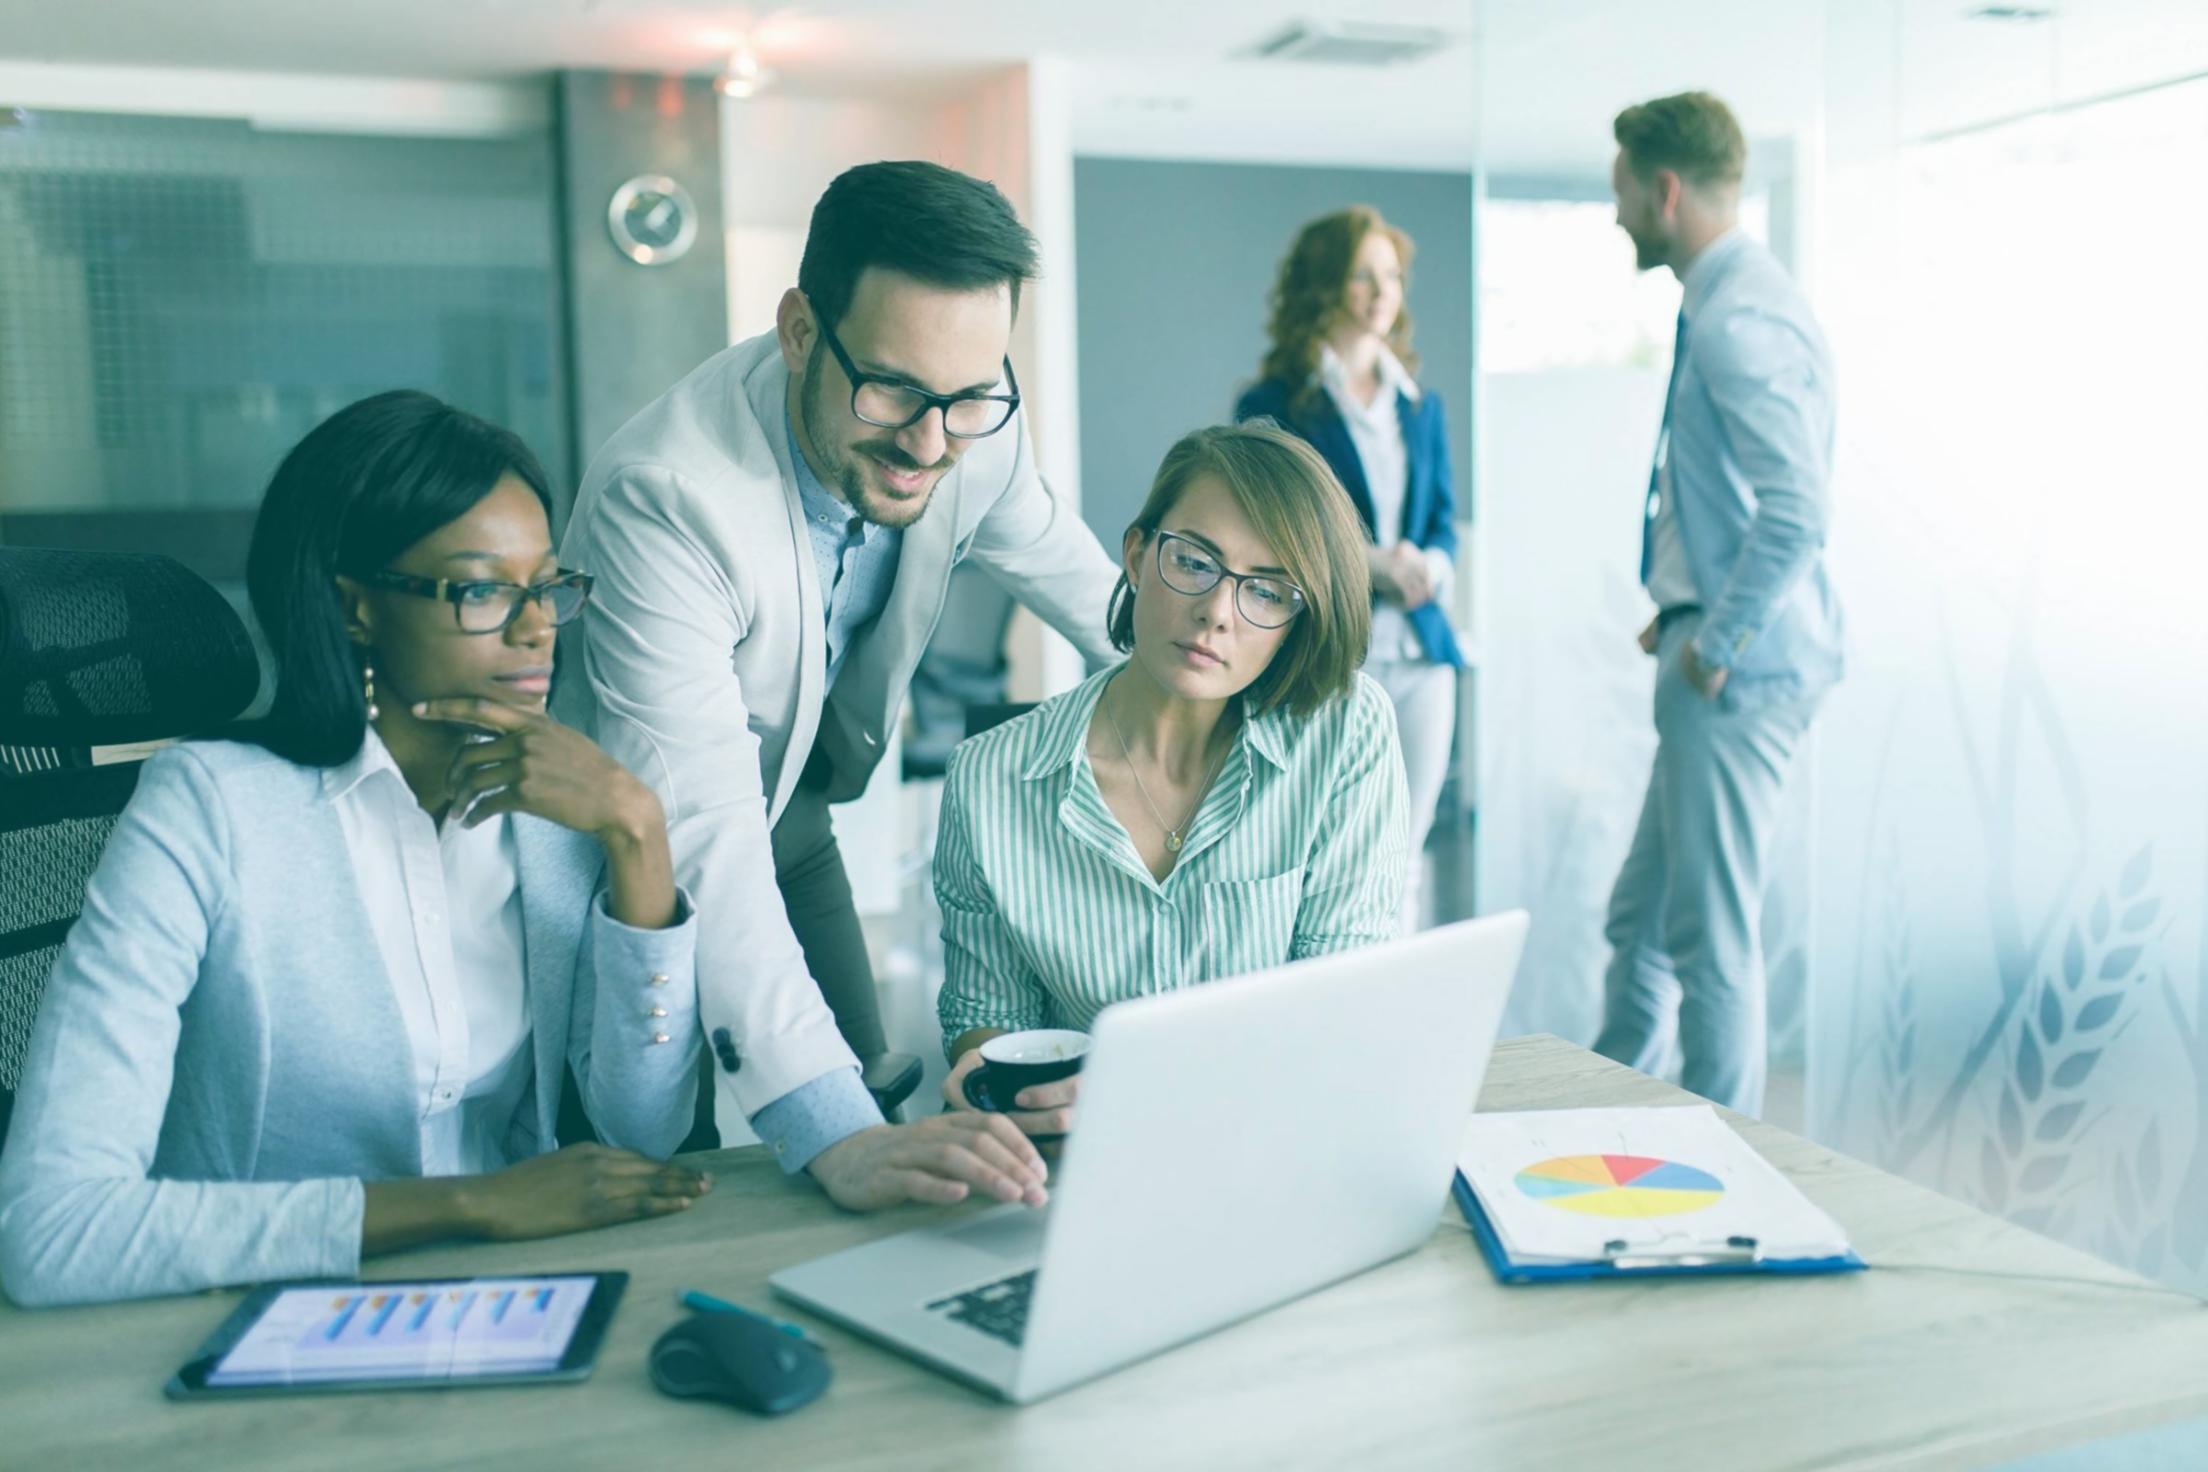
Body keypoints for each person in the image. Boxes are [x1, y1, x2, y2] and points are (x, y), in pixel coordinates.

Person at [0, 392, 709, 1308]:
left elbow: (644, 1132)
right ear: (354, 606)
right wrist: (472, 1205)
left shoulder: (550, 812)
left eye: (547, 587)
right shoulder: (211, 808)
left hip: (510, 1300)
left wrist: (637, 839)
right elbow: (51, 1230)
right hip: (254, 1317)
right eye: (485, 589)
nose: (537, 628)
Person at [556, 160, 1104, 1208]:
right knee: (659, 1158)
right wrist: (837, 1133)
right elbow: (703, 833)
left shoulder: (964, 419)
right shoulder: (667, 496)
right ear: (802, 329)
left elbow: (1084, 586)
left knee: (871, 1115)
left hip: (795, 808)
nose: (931, 442)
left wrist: (1241, 654)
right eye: (893, 389)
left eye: (970, 396)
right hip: (626, 854)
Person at [933, 422, 1409, 1136]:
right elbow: (987, 1022)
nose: (1217, 612)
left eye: (1269, 591)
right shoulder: (989, 780)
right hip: (1080, 1168)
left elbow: (1337, 1010)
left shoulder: (1345, 734)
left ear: (1298, 619)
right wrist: (991, 1081)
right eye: (1194, 562)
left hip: (1281, 1145)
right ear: (1136, 554)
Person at [1593, 92, 1844, 1115]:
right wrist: (1686, 604)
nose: (1614, 217)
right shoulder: (1733, 297)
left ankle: (1721, 1157)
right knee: (1640, 921)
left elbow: (1796, 509)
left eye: (1619, 194)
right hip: (1714, 650)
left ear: (1665, 189)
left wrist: (1718, 636)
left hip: (1738, 676)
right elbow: (1743, 503)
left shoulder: (1737, 315)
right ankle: (1599, 1108)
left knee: (1709, 936)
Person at [1236, 206, 1464, 936]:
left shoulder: (1421, 406)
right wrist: (1373, 564)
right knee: (1326, 851)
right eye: (1363, 273)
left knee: (1408, 851)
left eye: (1391, 275)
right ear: (1325, 284)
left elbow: (1442, 524)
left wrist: (1427, 565)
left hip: (1424, 654)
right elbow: (1268, 528)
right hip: (1332, 652)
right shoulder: (1275, 404)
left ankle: (1395, 1010)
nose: (1381, 290)